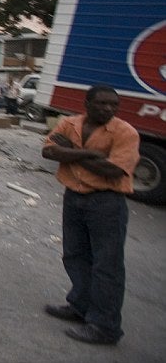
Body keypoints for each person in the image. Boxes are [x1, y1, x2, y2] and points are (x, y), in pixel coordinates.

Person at [41, 84, 140, 346]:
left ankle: (105, 327)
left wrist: (69, 153)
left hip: (107, 203)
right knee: (75, 255)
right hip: (73, 198)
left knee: (106, 266)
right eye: (102, 104)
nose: (108, 109)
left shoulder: (125, 133)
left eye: (113, 105)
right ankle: (80, 306)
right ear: (87, 104)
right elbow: (48, 150)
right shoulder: (70, 123)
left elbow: (113, 171)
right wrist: (89, 154)